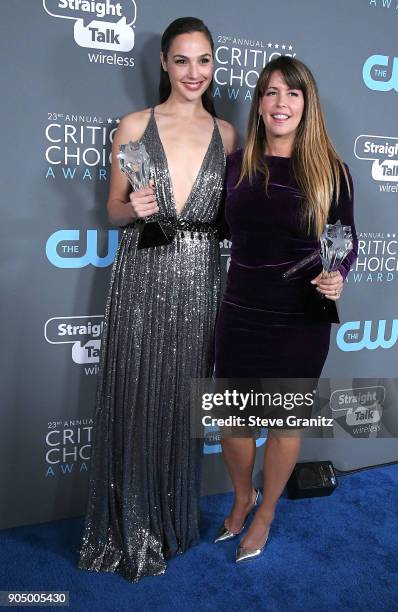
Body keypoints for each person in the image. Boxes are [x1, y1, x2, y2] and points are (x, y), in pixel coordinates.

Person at [78, 17, 235, 581]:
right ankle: (131, 523)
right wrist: (133, 210)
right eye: (182, 60)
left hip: (201, 285)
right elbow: (113, 209)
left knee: (180, 400)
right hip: (143, 276)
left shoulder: (229, 135)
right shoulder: (133, 126)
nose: (194, 72)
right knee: (138, 393)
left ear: (213, 66)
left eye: (204, 61)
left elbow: (233, 222)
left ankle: (171, 520)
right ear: (164, 64)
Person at [214, 55, 358, 562]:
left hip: (300, 319)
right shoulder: (238, 163)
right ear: (259, 104)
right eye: (271, 92)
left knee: (284, 424)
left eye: (292, 93)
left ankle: (268, 512)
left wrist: (338, 274)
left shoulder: (329, 169)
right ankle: (241, 497)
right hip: (239, 310)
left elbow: (347, 241)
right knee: (233, 423)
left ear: (306, 104)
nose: (281, 103)